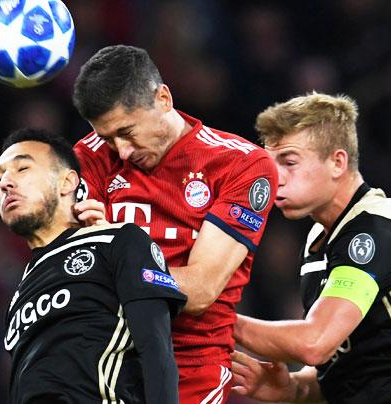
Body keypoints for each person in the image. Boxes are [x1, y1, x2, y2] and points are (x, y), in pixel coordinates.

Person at [71, 45, 279, 403]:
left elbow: (199, 289)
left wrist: (110, 245)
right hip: (101, 361)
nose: (121, 151)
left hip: (191, 367)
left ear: (163, 98)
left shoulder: (240, 165)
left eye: (127, 131)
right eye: (108, 138)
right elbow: (73, 268)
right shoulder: (90, 155)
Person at [231, 92, 391, 403]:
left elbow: (315, 342)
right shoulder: (321, 236)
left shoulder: (376, 230)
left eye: (289, 162)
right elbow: (347, 362)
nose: (276, 178)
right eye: (269, 164)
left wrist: (220, 318)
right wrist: (295, 388)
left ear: (337, 162)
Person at [0, 128, 187, 404]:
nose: (6, 183)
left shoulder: (118, 241)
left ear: (67, 182)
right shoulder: (19, 293)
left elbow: (157, 349)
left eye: (22, 168)